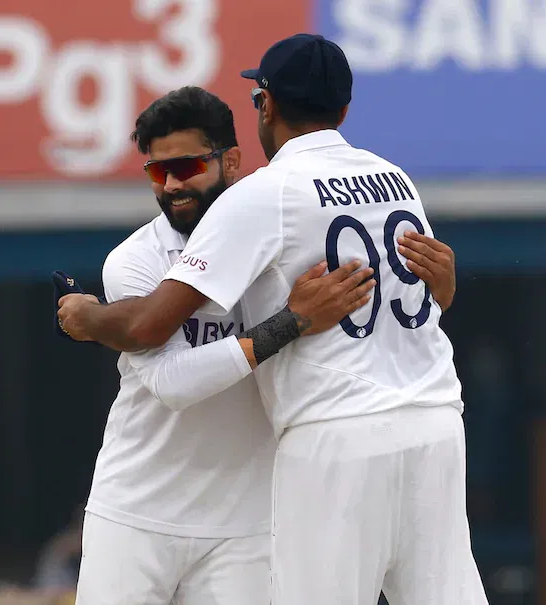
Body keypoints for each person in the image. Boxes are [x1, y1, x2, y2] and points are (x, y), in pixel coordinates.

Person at [58, 35, 484, 605]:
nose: (174, 183)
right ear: (344, 110)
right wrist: (446, 293)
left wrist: (89, 318)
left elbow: (145, 330)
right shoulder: (395, 180)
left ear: (266, 103)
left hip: (335, 432)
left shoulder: (261, 195)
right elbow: (406, 309)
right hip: (434, 421)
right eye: (159, 172)